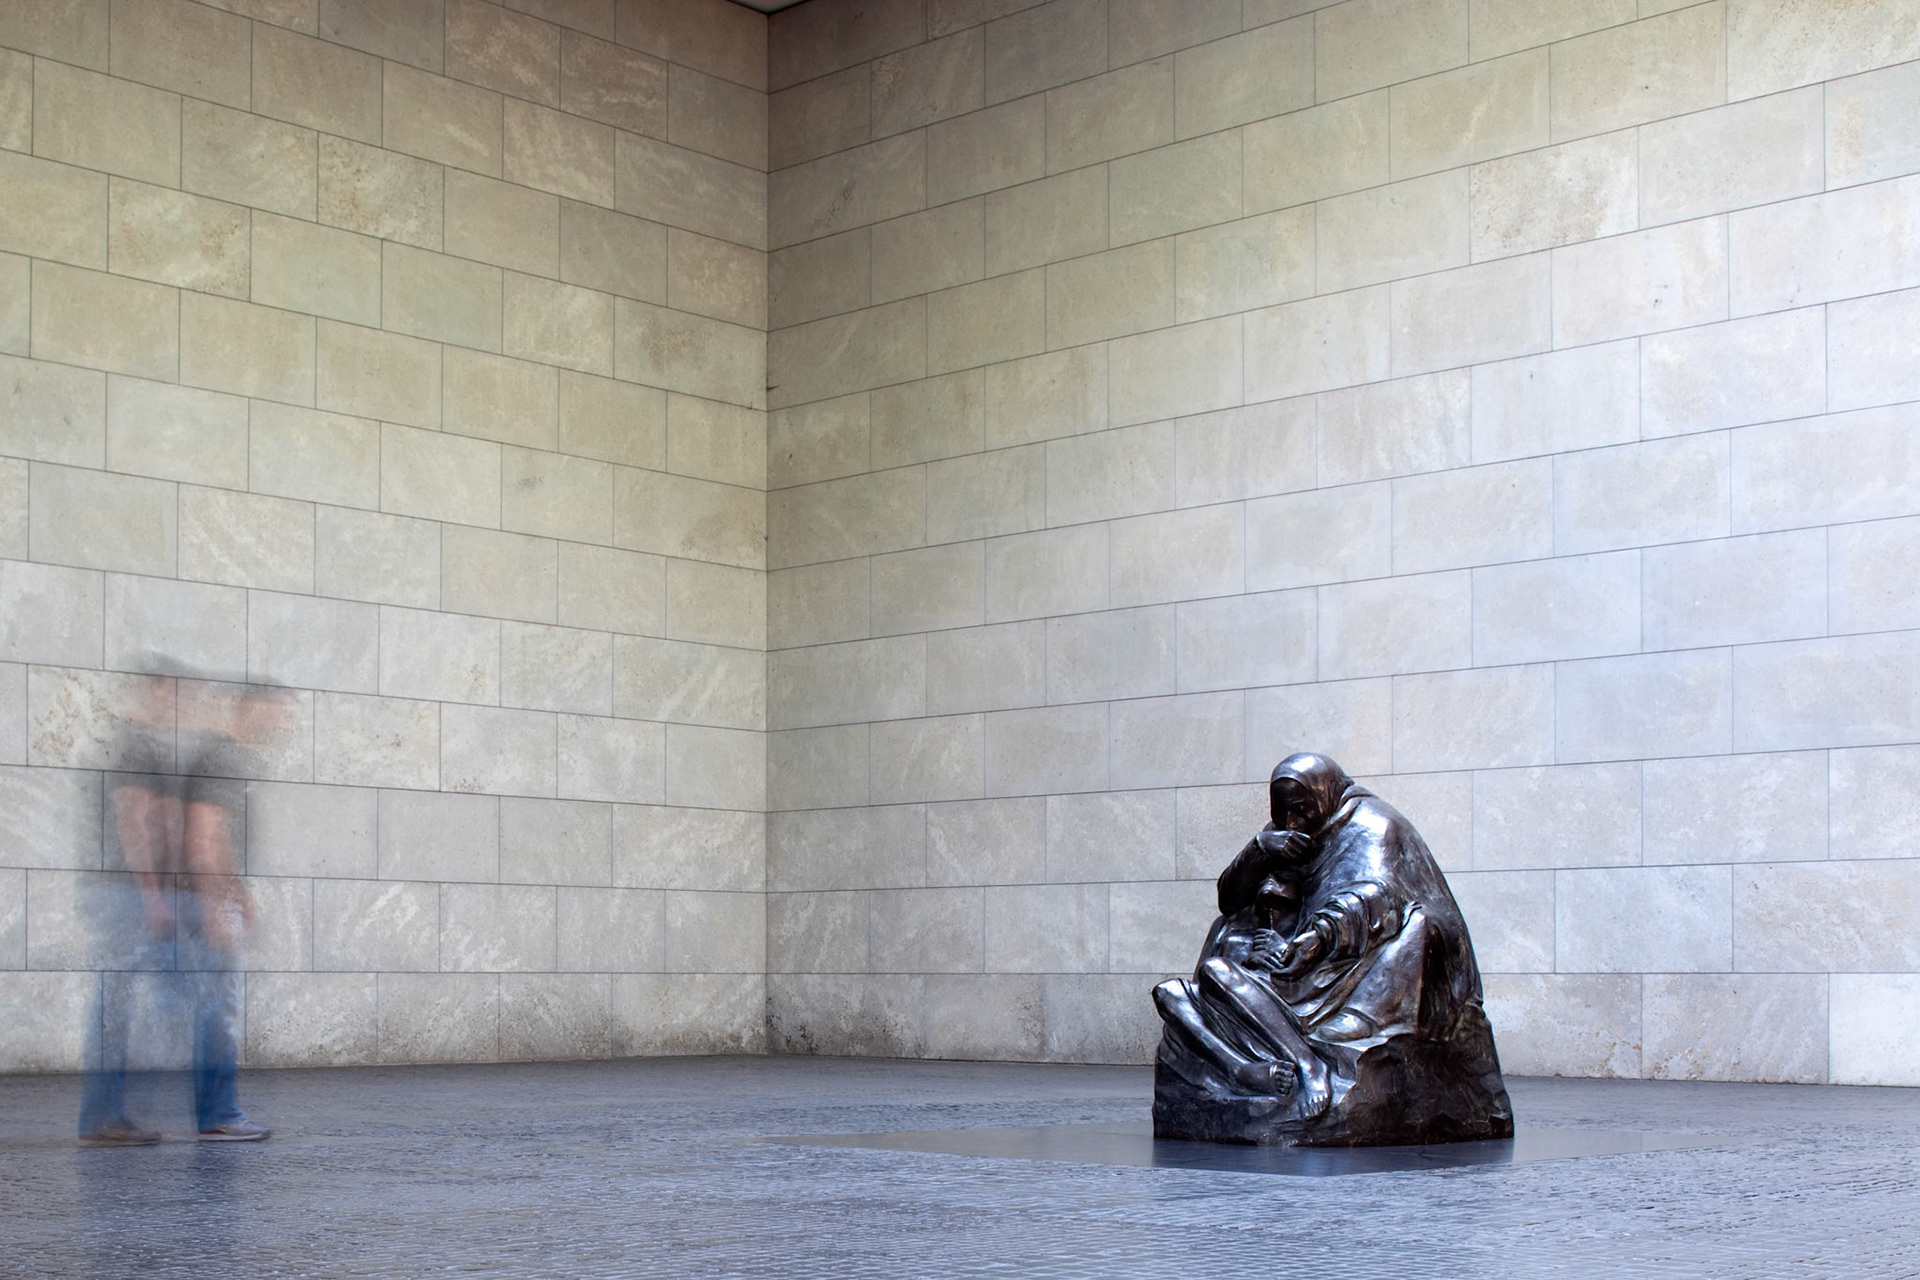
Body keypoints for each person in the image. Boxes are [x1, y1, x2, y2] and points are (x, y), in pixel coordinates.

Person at [1152, 753, 1511, 1144]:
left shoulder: (1375, 826)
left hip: (1339, 970)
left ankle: (1309, 1063)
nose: (1292, 822)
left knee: (1218, 974)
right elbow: (1230, 899)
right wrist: (1259, 848)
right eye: (1283, 812)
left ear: (1326, 795)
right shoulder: (1287, 832)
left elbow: (1378, 896)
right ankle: (1246, 1069)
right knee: (1182, 987)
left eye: (1301, 810)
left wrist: (1309, 943)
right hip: (1283, 967)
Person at [78, 670, 286, 1146]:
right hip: (131, 894)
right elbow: (160, 828)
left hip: (149, 893)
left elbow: (186, 831)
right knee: (193, 1003)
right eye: (176, 694)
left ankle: (115, 1117)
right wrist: (165, 897)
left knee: (150, 1003)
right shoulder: (140, 748)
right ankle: (209, 1114)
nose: (183, 705)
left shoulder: (151, 748)